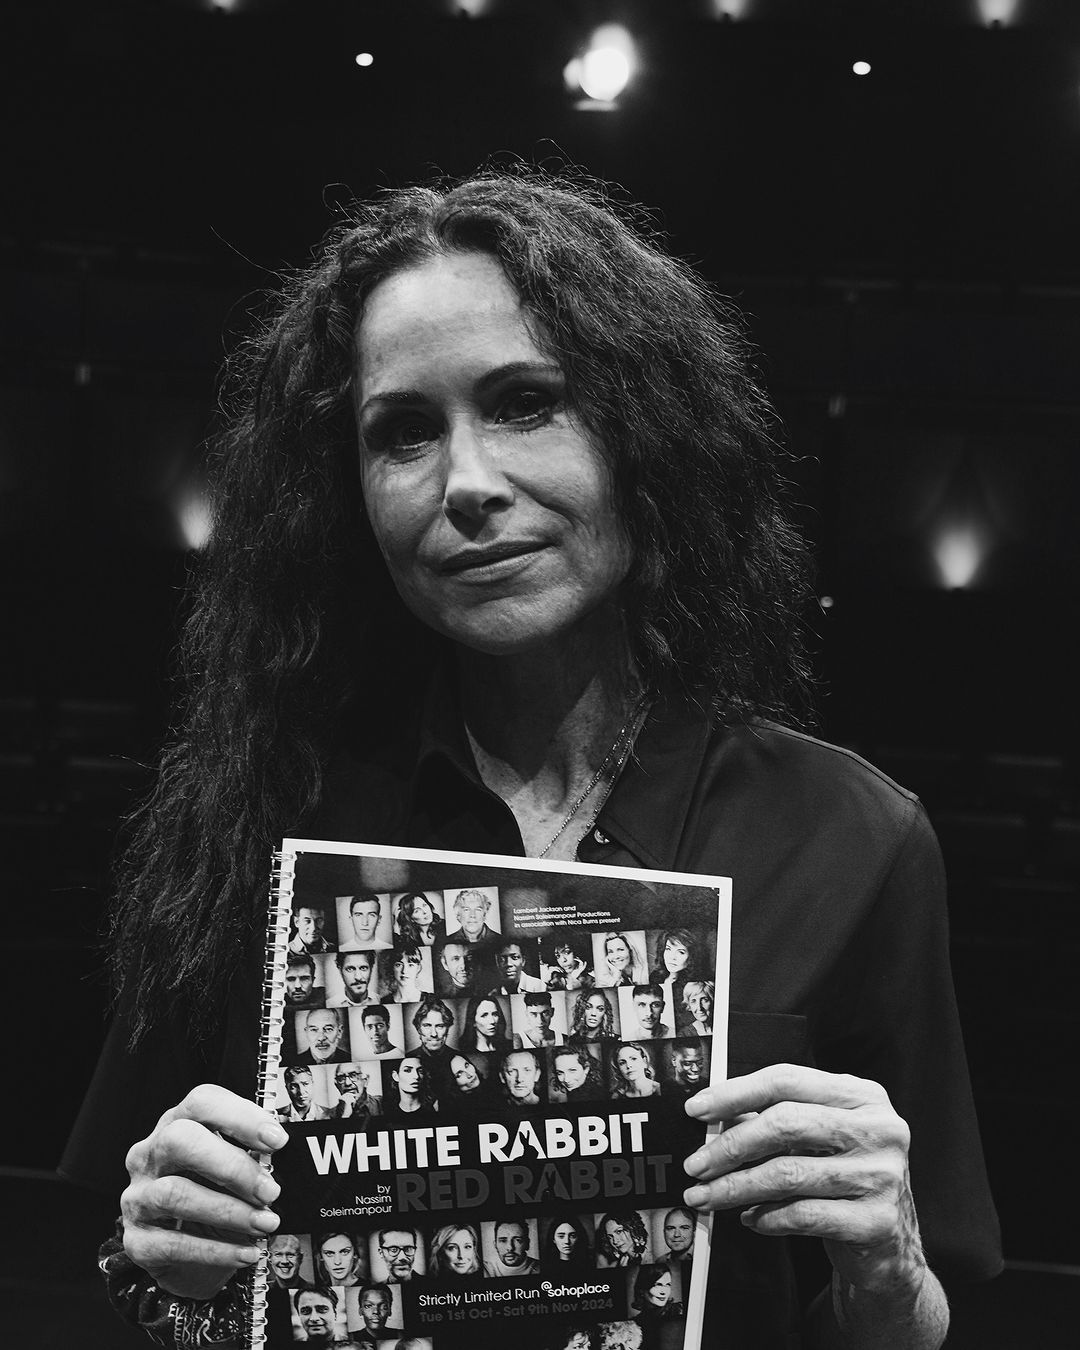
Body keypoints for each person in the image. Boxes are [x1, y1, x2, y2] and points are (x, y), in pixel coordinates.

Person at [71, 171, 999, 1350]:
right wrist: (170, 1270)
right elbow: (140, 1279)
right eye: (402, 432)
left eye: (525, 404)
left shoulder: (852, 838)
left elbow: (918, 1320)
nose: (466, 485)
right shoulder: (267, 808)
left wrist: (886, 1266)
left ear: (644, 436)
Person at [630, 1264, 684, 1350]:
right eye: (658, 1284)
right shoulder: (634, 1324)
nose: (664, 1292)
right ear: (642, 1290)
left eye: (668, 1284)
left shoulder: (680, 1311)